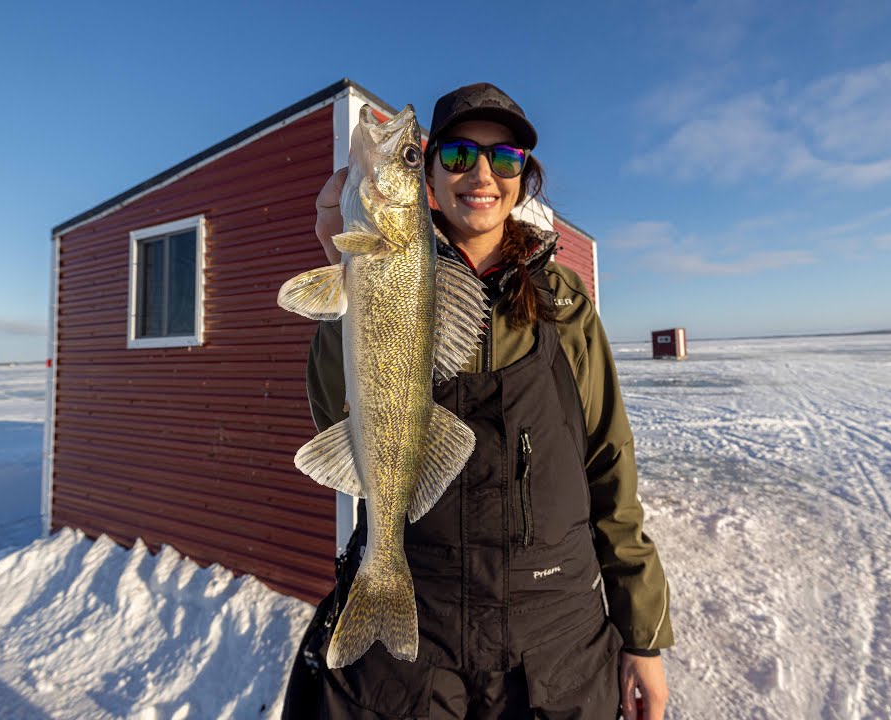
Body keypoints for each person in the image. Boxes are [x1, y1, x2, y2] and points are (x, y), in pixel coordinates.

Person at [283, 83, 673, 719]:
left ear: (524, 176)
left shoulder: (565, 301)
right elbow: (337, 419)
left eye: (506, 157)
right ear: (431, 177)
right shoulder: (385, 267)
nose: (483, 174)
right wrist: (344, 276)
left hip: (558, 637)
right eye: (460, 155)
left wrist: (642, 633)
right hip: (415, 635)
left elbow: (608, 460)